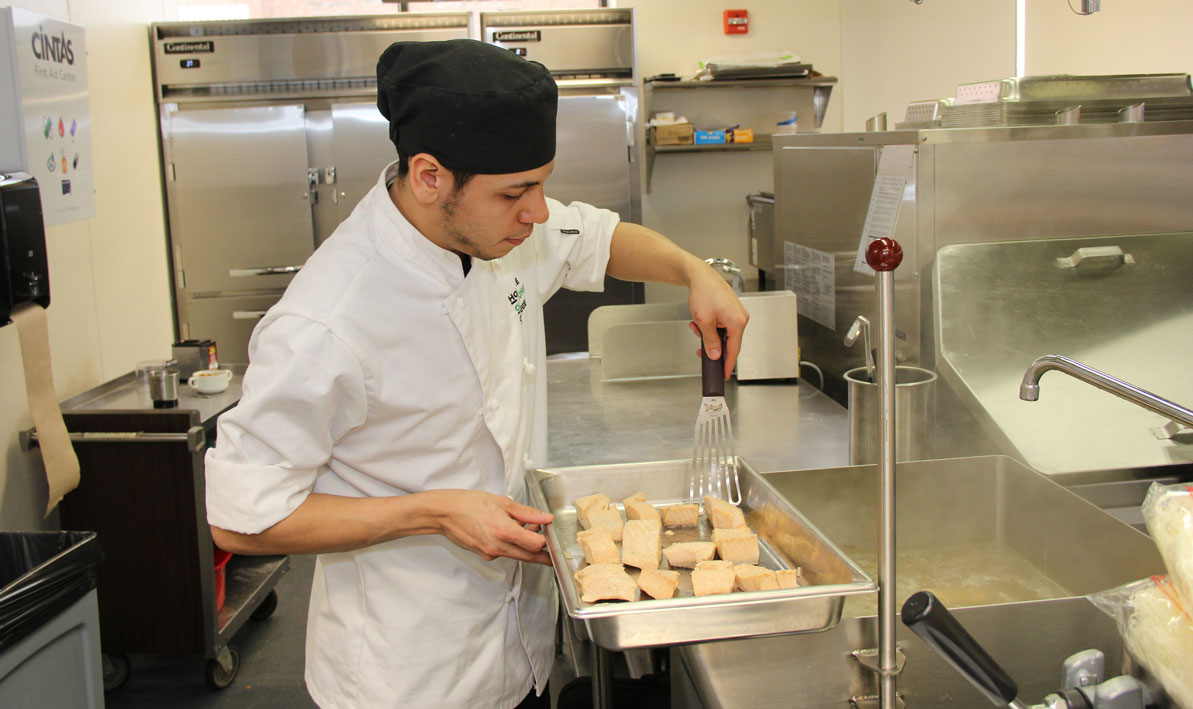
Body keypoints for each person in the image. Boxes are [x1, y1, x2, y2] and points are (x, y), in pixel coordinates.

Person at [204, 39, 749, 709]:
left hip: (519, 645)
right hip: (406, 673)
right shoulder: (326, 322)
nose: (540, 212)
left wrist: (695, 272)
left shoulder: (498, 231)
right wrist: (432, 512)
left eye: (543, 183)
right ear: (430, 176)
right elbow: (240, 520)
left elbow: (602, 238)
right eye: (517, 192)